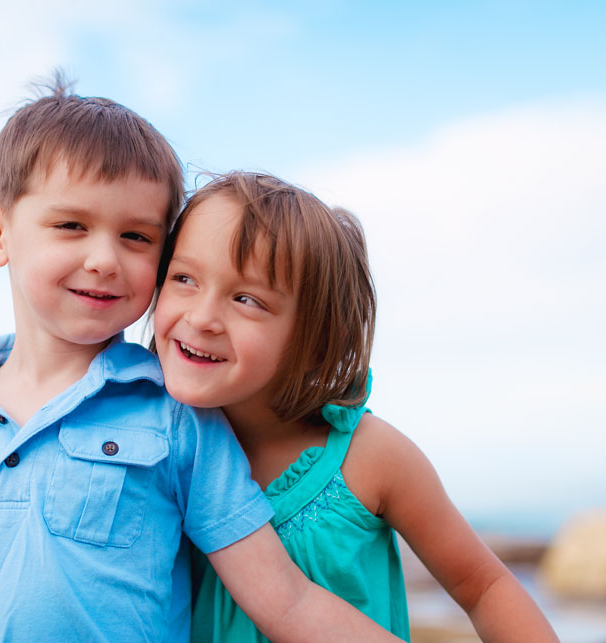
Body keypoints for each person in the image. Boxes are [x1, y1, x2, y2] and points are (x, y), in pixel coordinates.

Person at [0, 78, 399, 642]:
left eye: (136, 237)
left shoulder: (176, 416)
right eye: (71, 225)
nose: (103, 259)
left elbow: (285, 603)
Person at [153, 171, 559, 642]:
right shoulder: (145, 441)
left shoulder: (371, 457)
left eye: (246, 299)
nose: (201, 318)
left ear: (313, 338)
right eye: (184, 278)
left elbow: (484, 587)